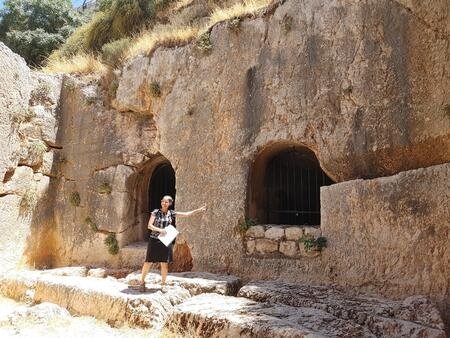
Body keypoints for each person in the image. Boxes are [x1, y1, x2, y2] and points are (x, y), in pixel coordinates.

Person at [139, 195, 206, 291]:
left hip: (166, 240)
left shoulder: (171, 213)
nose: (164, 203)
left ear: (170, 203)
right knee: (148, 261)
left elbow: (186, 214)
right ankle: (142, 282)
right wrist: (160, 230)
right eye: (163, 201)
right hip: (154, 239)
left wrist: (199, 210)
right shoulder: (155, 212)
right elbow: (149, 226)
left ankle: (163, 284)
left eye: (166, 202)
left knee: (164, 263)